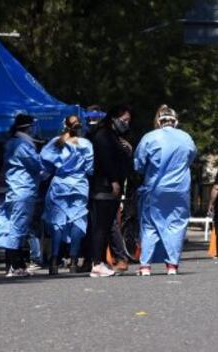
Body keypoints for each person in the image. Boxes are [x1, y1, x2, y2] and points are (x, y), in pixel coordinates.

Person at [134, 105, 197, 276]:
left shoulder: (150, 137)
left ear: (159, 121)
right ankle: (172, 265)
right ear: (175, 122)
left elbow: (139, 164)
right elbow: (190, 158)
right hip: (180, 188)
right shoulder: (186, 138)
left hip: (155, 188)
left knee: (149, 225)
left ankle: (145, 265)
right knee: (177, 224)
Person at [40, 115, 94, 275]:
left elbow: (43, 161)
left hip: (59, 185)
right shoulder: (86, 144)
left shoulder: (56, 142)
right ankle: (73, 260)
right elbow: (90, 168)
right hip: (79, 185)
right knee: (77, 221)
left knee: (58, 223)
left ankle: (54, 260)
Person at [0, 114, 46, 277]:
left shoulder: (10, 143)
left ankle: (15, 264)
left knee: (12, 226)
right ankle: (14, 265)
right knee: (19, 227)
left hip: (14, 189)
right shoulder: (23, 144)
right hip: (23, 189)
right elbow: (35, 165)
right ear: (29, 127)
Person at [87, 105, 133, 278]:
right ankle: (97, 263)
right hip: (104, 186)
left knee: (105, 226)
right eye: (124, 120)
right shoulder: (104, 136)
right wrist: (114, 181)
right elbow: (107, 161)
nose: (126, 124)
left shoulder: (113, 136)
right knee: (102, 226)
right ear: (114, 118)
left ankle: (99, 262)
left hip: (108, 186)